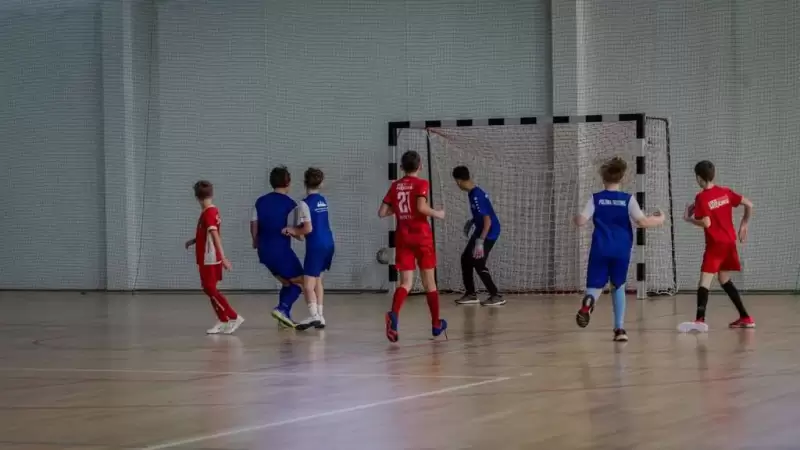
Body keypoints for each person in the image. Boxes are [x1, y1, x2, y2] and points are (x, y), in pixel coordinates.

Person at [573, 157, 665, 341]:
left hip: (600, 248)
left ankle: (589, 302)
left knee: (594, 285)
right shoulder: (627, 200)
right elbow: (642, 222)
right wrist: (659, 219)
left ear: (603, 178)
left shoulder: (596, 198)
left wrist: (575, 218)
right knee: (618, 286)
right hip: (621, 250)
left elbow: (582, 221)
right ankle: (620, 329)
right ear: (622, 178)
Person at [379, 151, 448, 342]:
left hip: (403, 237)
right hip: (422, 237)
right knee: (429, 284)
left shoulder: (395, 186)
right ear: (420, 166)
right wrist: (438, 214)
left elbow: (382, 212)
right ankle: (436, 324)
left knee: (406, 283)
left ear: (401, 167)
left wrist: (399, 208)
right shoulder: (421, 184)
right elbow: (421, 208)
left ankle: (393, 315)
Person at [678, 160, 754, 333]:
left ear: (699, 178)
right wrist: (744, 224)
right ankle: (745, 317)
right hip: (729, 242)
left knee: (704, 281)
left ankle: (699, 320)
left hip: (715, 245)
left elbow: (706, 223)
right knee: (723, 278)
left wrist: (689, 219)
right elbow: (749, 204)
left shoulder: (701, 197)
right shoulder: (725, 192)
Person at [185, 180, 244, 334]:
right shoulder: (210, 211)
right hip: (206, 257)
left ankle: (233, 317)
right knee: (209, 289)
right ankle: (223, 320)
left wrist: (223, 257)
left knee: (210, 288)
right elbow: (206, 234)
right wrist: (194, 240)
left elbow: (215, 234)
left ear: (197, 197)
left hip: (209, 258)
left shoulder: (209, 213)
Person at [251, 166, 306, 328]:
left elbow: (253, 223)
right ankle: (282, 309)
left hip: (264, 251)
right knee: (303, 281)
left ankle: (284, 318)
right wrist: (300, 235)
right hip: (280, 251)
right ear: (288, 182)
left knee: (287, 283)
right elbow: (297, 230)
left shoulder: (260, 201)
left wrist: (255, 240)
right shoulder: (291, 204)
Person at [288, 168, 335, 331]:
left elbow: (307, 229)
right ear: (321, 184)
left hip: (315, 245)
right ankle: (320, 316)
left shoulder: (304, 204)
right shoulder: (323, 200)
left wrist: (292, 230)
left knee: (308, 285)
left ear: (304, 182)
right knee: (318, 280)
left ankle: (313, 315)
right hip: (329, 243)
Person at [451, 165, 504, 306]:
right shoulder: (472, 193)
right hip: (481, 228)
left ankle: (495, 295)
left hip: (490, 231)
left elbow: (488, 220)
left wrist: (480, 241)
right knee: (466, 258)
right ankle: (471, 294)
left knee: (478, 262)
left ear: (459, 181)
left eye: (456, 182)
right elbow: (482, 214)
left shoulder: (477, 196)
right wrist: (472, 221)